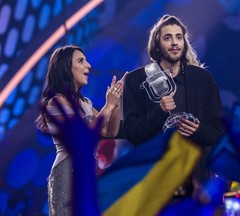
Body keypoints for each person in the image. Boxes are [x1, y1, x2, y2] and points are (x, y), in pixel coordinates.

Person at [123, 14, 224, 196]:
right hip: (154, 182)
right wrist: (159, 111)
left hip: (195, 182)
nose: (174, 43)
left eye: (179, 37)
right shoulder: (136, 80)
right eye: (167, 38)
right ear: (156, 44)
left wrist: (197, 130)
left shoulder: (203, 79)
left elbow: (218, 132)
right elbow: (132, 134)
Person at [35, 45, 125, 215]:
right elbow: (85, 134)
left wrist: (116, 104)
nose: (89, 65)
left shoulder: (85, 103)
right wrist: (109, 105)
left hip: (87, 171)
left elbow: (110, 132)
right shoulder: (56, 102)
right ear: (66, 68)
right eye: (81, 61)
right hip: (67, 171)